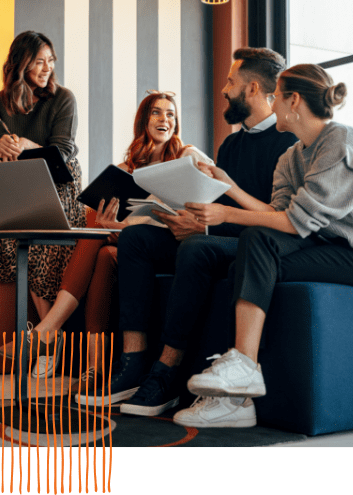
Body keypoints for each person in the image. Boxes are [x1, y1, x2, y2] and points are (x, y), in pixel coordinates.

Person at [175, 63, 353, 428]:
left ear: (294, 101)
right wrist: (229, 187)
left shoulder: (342, 142)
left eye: (276, 98)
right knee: (245, 259)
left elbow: (294, 222)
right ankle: (236, 401)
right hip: (330, 249)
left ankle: (243, 368)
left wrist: (226, 214)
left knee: (255, 243)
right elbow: (278, 215)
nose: (270, 106)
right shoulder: (291, 157)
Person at [79, 48, 298, 417]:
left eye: (231, 82)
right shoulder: (230, 144)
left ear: (253, 88)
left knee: (196, 248)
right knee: (135, 240)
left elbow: (277, 218)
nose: (224, 89)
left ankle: (166, 373)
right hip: (215, 233)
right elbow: (211, 201)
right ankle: (133, 365)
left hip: (254, 244)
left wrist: (204, 226)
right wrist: (184, 218)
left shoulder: (288, 143)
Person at [0, 90, 213, 381]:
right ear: (144, 121)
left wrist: (122, 230)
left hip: (178, 243)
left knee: (98, 234)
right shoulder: (127, 169)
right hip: (133, 245)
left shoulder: (187, 155)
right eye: (157, 112)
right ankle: (94, 367)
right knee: (101, 246)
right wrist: (112, 227)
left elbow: (208, 200)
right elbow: (123, 227)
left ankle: (49, 330)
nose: (165, 119)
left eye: (171, 114)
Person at [0, 31, 86, 377]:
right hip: (20, 180)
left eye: (51, 60)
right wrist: (3, 151)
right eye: (39, 61)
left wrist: (24, 143)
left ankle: (45, 337)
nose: (47, 67)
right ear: (20, 63)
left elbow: (63, 151)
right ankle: (49, 336)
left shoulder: (63, 98)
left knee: (39, 239)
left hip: (59, 182)